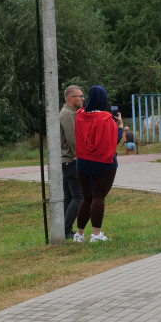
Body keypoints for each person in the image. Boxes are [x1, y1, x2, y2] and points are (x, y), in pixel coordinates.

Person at [73, 85, 124, 243]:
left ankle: (79, 234)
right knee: (98, 197)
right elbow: (113, 141)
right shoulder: (107, 119)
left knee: (86, 198)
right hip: (103, 163)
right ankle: (96, 234)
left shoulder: (80, 116)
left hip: (82, 161)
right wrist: (120, 126)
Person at [59, 85, 84, 241]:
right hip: (71, 161)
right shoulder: (67, 115)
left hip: (66, 162)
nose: (82, 99)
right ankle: (66, 229)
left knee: (69, 198)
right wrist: (80, 158)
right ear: (70, 98)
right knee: (78, 197)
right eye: (80, 96)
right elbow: (73, 140)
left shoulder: (69, 113)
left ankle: (63, 228)